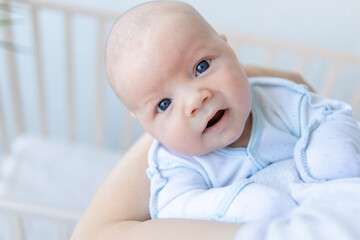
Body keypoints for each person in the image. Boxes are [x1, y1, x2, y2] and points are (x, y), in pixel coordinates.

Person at [71, 1, 360, 239]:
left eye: (202, 66)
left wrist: (330, 150)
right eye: (164, 104)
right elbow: (178, 209)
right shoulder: (175, 165)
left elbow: (326, 113)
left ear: (229, 50)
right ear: (144, 125)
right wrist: (241, 203)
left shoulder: (275, 97)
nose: (196, 99)